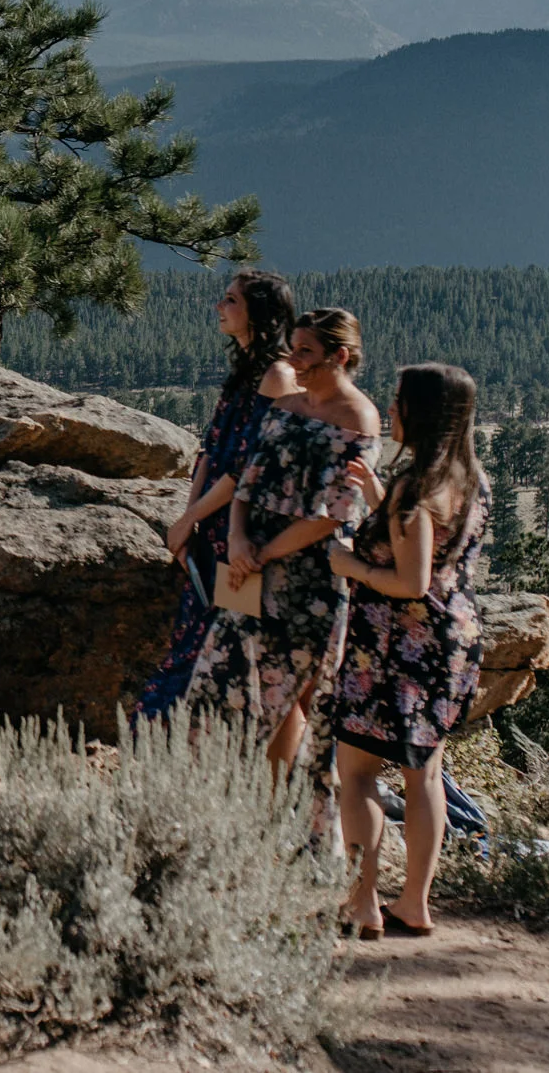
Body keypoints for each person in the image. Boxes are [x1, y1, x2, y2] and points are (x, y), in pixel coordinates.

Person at [187, 308, 381, 818]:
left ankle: (288, 823)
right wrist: (237, 537)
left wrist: (261, 555)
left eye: (305, 352)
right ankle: (209, 812)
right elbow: (248, 475)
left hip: (308, 584)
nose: (292, 360)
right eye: (292, 348)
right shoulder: (285, 404)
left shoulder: (359, 419)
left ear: (340, 356)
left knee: (289, 703)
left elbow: (335, 514)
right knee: (212, 692)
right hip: (247, 568)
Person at [328, 364, 493, 940]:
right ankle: (415, 904)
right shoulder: (470, 481)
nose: (390, 411)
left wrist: (349, 562)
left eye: (398, 402)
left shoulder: (414, 489)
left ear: (420, 412)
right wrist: (381, 501)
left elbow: (411, 580)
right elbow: (428, 545)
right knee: (424, 775)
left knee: (357, 775)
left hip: (394, 649)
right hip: (451, 644)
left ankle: (363, 903)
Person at [140, 270, 301, 716]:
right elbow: (211, 451)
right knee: (218, 644)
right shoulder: (246, 371)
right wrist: (189, 518)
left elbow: (247, 468)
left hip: (242, 535)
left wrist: (190, 519)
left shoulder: (278, 377)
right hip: (213, 528)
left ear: (260, 315)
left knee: (239, 656)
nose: (219, 306)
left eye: (231, 300)